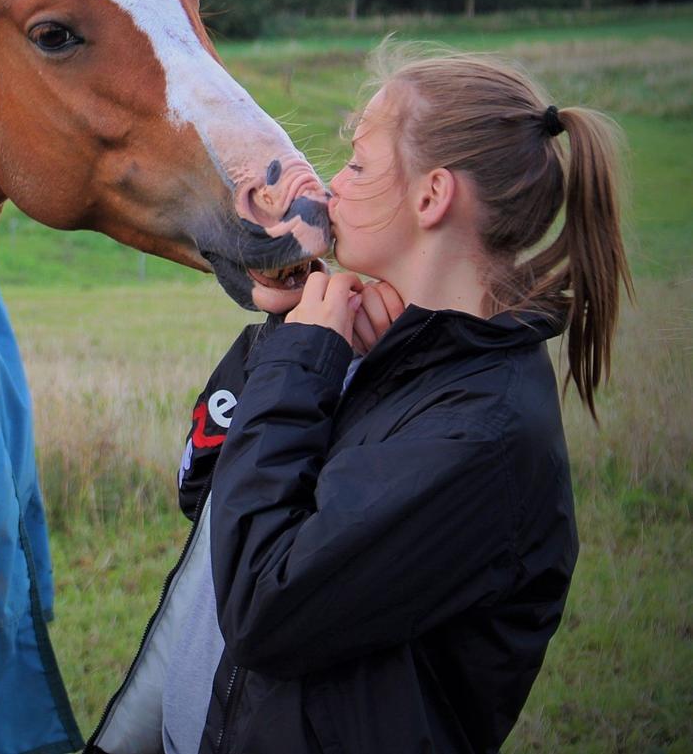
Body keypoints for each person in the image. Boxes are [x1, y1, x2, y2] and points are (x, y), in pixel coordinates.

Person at [84, 45, 631, 754]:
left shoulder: (478, 438)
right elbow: (206, 484)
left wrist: (299, 361)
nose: (332, 185)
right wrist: (284, 334)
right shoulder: (383, 351)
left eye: (361, 164)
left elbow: (262, 602)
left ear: (432, 196)